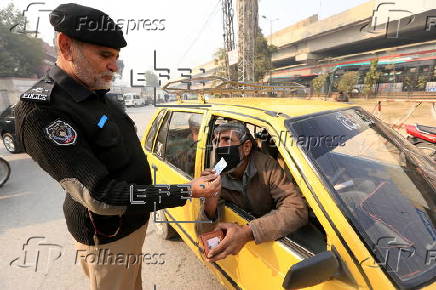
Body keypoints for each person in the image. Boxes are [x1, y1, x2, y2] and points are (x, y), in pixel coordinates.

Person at [14, 4, 220, 290]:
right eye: (105, 55)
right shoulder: (41, 111)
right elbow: (102, 197)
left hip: (132, 223)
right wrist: (187, 191)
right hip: (107, 238)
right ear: (65, 45)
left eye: (116, 57)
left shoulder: (95, 92)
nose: (114, 66)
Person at [196, 121, 308, 262]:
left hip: (272, 242)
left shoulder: (267, 167)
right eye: (217, 141)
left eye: (227, 139)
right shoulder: (216, 176)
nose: (220, 146)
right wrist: (210, 200)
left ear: (246, 147)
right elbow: (205, 236)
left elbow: (297, 208)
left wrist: (248, 232)